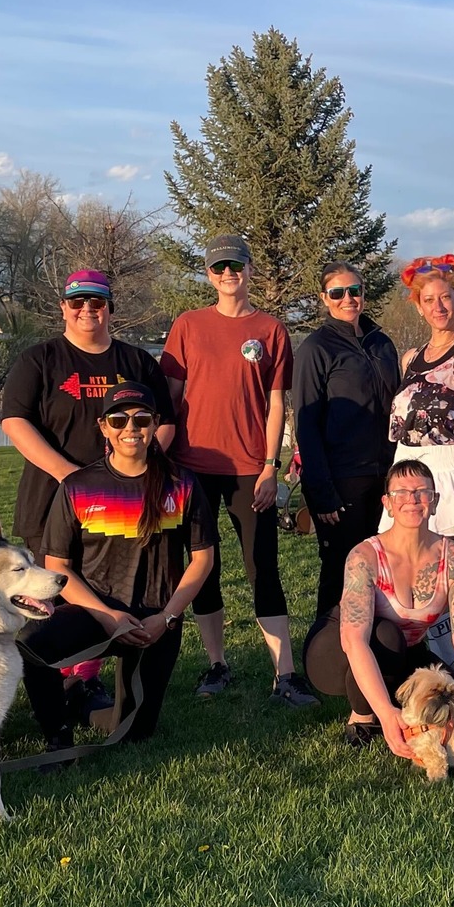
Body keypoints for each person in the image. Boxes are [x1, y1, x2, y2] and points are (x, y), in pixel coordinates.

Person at [160, 233, 314, 707]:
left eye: (236, 265)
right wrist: (163, 462)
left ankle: (285, 674)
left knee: (261, 565)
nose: (228, 273)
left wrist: (270, 465)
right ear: (209, 275)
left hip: (251, 468)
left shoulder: (270, 330)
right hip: (193, 465)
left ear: (249, 269)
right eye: (219, 267)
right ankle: (216, 665)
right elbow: (170, 398)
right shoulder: (188, 325)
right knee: (204, 565)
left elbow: (276, 403)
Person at [20, 382, 216, 751]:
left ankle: (81, 702)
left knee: (132, 733)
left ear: (155, 423)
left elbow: (203, 558)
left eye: (141, 419)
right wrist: (107, 616)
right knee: (30, 644)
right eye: (119, 420)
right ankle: (57, 735)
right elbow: (57, 565)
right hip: (94, 612)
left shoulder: (182, 483)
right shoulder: (78, 486)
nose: (131, 428)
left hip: (154, 622)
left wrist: (167, 618)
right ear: (104, 427)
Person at [301, 458, 454, 762]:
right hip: (335, 650)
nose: (411, 500)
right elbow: (354, 640)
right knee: (386, 634)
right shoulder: (364, 556)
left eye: (421, 492)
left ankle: (389, 696)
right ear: (387, 503)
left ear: (434, 501)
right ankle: (363, 717)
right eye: (401, 492)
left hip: (406, 650)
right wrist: (387, 714)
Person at [0, 268, 176, 557]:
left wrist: (131, 469)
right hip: (53, 497)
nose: (86, 309)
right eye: (77, 301)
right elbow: (14, 422)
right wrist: (69, 475)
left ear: (110, 308)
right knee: (56, 584)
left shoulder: (138, 362)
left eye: (96, 302)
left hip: (125, 498)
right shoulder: (38, 359)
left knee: (122, 582)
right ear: (63, 307)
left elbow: (166, 423)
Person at [294, 261, 399, 644]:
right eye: (337, 292)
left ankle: (378, 646)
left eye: (354, 290)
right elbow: (306, 424)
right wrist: (322, 492)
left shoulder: (381, 343)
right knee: (341, 569)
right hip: (341, 480)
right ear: (324, 298)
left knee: (382, 568)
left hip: (384, 477)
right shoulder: (316, 349)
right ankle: (325, 651)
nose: (348, 299)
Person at [383, 254, 454, 536]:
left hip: (449, 472)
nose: (438, 307)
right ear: (419, 308)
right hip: (406, 473)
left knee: (443, 556)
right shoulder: (410, 358)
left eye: (445, 297)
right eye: (429, 300)